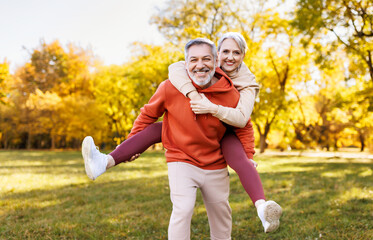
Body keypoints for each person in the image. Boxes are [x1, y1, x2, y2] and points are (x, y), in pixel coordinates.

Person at [82, 33, 282, 233]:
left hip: (215, 157)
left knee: (221, 213)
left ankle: (262, 207)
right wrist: (131, 144)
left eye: (206, 59)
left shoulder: (235, 92)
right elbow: (148, 114)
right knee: (182, 209)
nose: (200, 64)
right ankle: (104, 162)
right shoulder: (173, 85)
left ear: (215, 61)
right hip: (181, 157)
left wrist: (247, 155)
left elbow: (243, 124)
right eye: (193, 60)